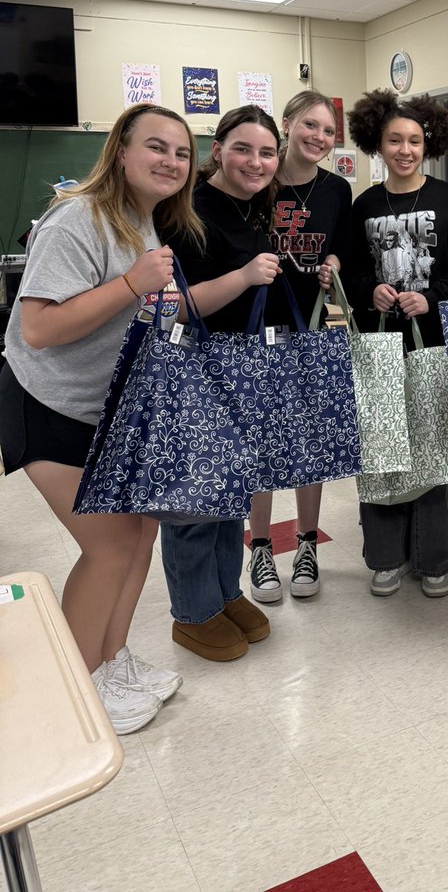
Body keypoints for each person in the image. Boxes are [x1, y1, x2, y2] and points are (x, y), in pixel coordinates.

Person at [0, 104, 203, 733]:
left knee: (139, 534)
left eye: (182, 152)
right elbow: (38, 328)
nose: (171, 161)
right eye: (156, 147)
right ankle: (78, 687)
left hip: (108, 410)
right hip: (48, 405)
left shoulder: (144, 223)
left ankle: (111, 662)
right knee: (109, 545)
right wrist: (133, 285)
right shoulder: (78, 218)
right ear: (120, 151)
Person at [346, 89, 448, 598]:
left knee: (433, 452)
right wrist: (370, 290)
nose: (405, 150)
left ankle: (434, 558)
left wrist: (431, 298)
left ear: (429, 144)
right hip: (379, 348)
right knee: (382, 451)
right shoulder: (364, 205)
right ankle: (385, 557)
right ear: (377, 144)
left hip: (433, 348)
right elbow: (351, 273)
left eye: (415, 141)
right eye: (395, 140)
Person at [160, 106, 282, 661]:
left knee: (232, 488)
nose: (255, 162)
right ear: (217, 150)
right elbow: (173, 306)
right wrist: (245, 275)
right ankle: (193, 612)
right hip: (193, 368)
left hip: (241, 365)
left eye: (266, 152)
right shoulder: (185, 208)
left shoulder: (253, 207)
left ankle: (226, 593)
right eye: (242, 149)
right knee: (194, 495)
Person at [246, 91, 351, 604]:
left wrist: (333, 263)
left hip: (313, 327)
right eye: (310, 125)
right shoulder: (256, 179)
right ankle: (261, 548)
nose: (319, 137)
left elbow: (342, 248)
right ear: (286, 124)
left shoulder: (337, 189)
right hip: (256, 328)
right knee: (263, 441)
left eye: (328, 131)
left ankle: (307, 544)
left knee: (311, 440)